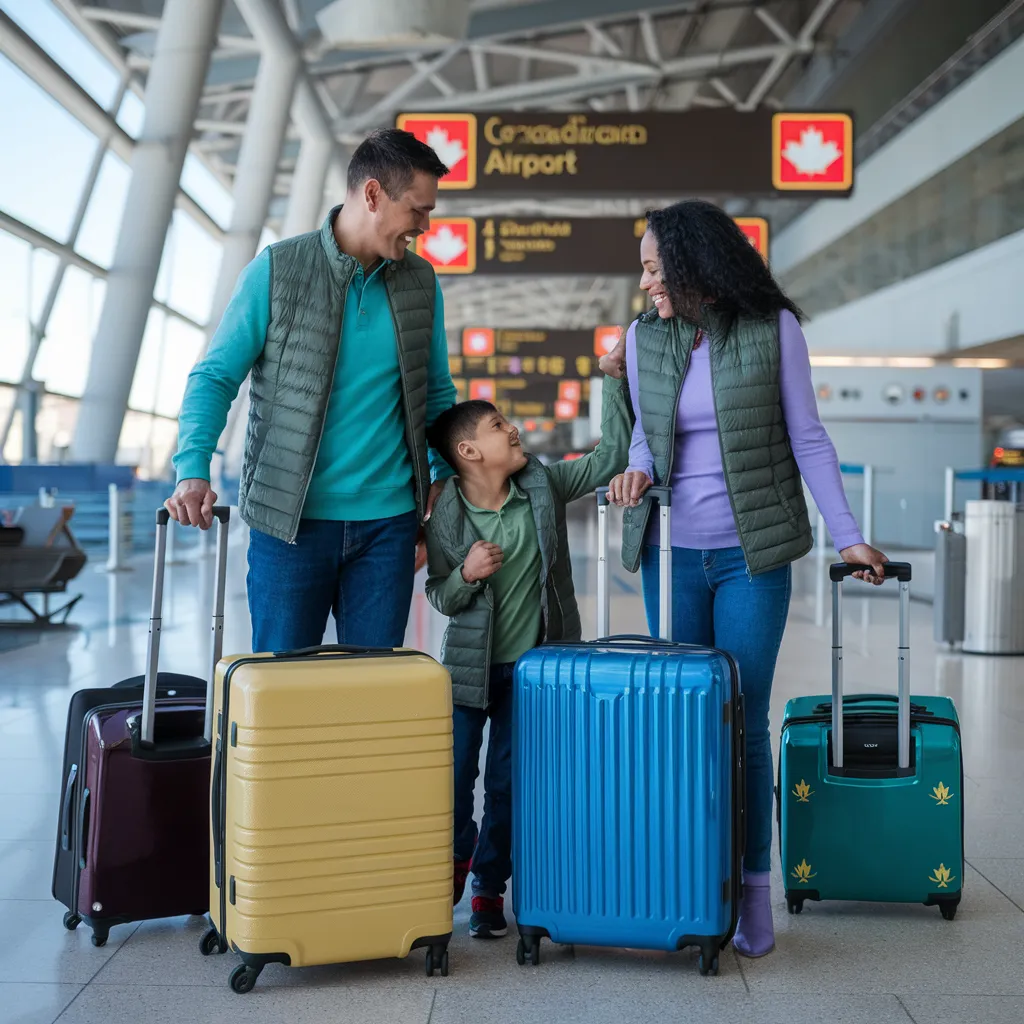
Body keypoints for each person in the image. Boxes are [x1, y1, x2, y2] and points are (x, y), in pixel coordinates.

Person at [606, 199, 889, 960]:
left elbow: (809, 439)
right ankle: (691, 881)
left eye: (655, 268)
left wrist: (852, 537)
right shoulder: (644, 339)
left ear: (699, 265)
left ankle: (752, 889)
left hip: (751, 558)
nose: (645, 283)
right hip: (674, 558)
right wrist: (636, 470)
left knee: (739, 717)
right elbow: (644, 434)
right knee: (678, 721)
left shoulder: (774, 331)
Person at [165, 129, 456, 652]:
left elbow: (435, 394)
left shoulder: (420, 282)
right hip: (289, 524)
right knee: (282, 686)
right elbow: (214, 376)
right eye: (416, 210)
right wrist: (192, 469)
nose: (425, 225)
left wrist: (441, 478)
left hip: (388, 527)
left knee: (372, 691)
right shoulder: (278, 270)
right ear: (372, 195)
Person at [424, 356, 632, 940]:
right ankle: (452, 868)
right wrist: (464, 575)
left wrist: (613, 382)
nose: (512, 429)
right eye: (497, 426)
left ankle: (490, 887)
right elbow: (438, 593)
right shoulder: (447, 516)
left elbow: (606, 461)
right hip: (468, 670)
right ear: (468, 452)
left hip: (535, 670)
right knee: (454, 776)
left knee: (510, 782)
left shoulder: (540, 483)